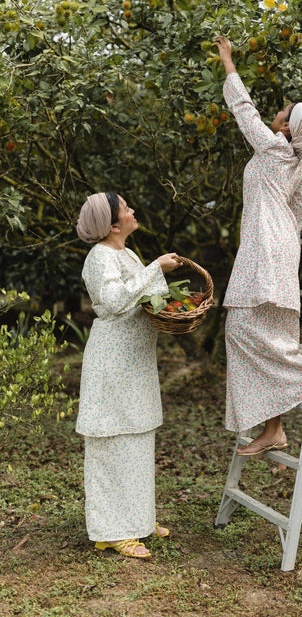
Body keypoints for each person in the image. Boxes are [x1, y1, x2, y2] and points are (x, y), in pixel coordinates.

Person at [214, 35, 302, 456]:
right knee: (275, 334)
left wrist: (228, 61)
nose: (274, 114)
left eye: (280, 113)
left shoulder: (270, 147)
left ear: (284, 128)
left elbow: (242, 110)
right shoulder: (295, 166)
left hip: (266, 249)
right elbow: (298, 213)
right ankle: (275, 428)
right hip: (281, 248)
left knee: (242, 327)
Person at [75, 192, 181, 559]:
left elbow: (153, 296)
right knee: (112, 443)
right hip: (112, 360)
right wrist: (154, 268)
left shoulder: (127, 254)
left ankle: (139, 520)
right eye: (126, 208)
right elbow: (118, 301)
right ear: (113, 224)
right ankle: (111, 531)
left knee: (137, 438)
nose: (133, 210)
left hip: (134, 359)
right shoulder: (100, 256)